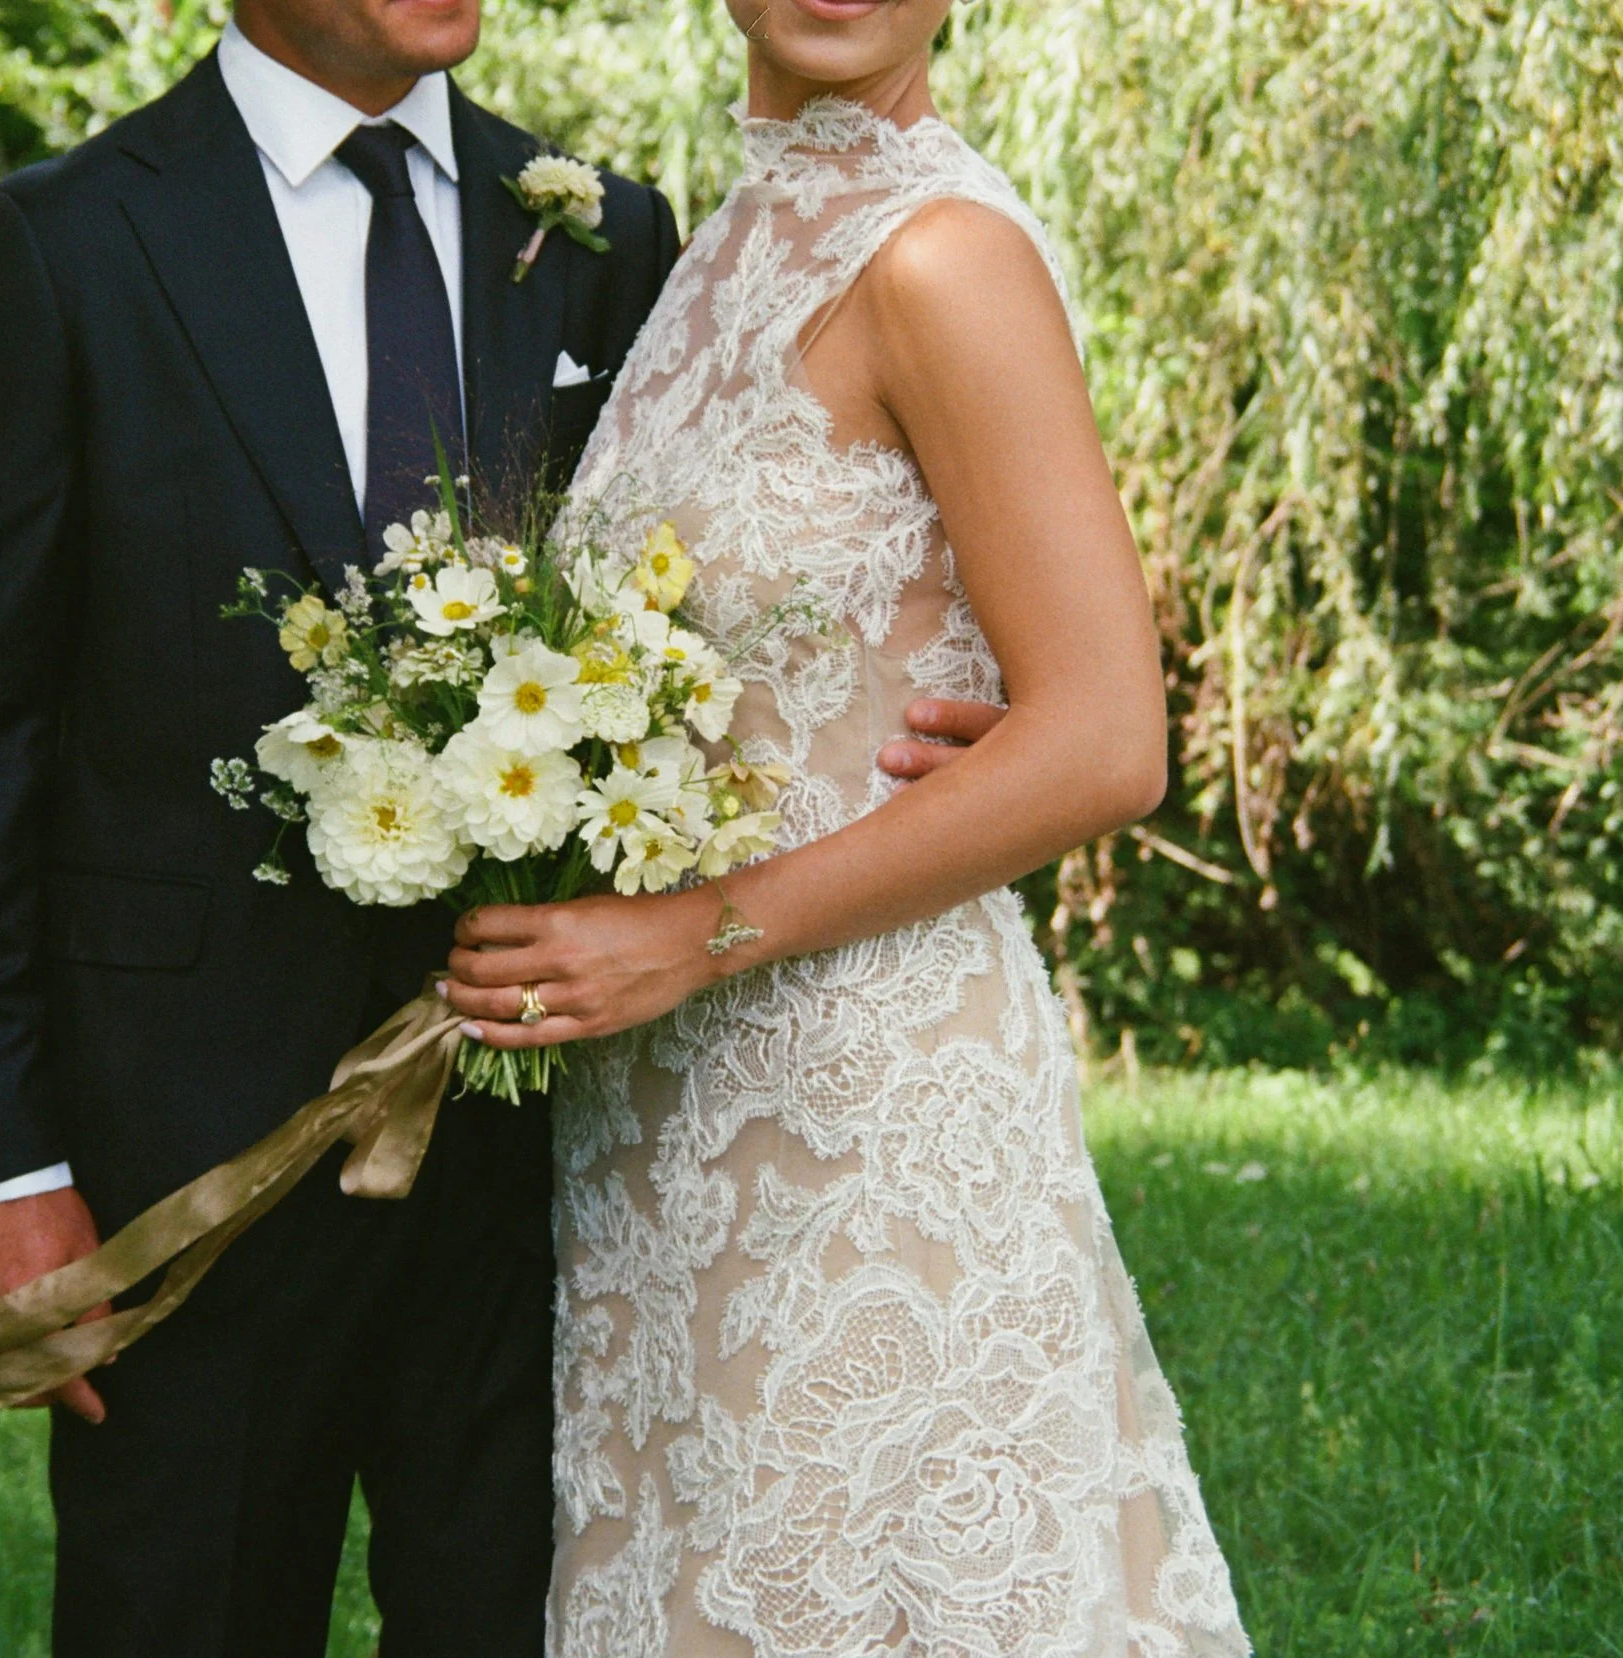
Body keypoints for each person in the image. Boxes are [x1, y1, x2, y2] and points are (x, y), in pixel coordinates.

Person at [0, 1, 992, 1651]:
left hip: (551, 1152)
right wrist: (0, 1169)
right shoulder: (66, 246)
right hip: (183, 1155)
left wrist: (944, 700)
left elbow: (719, 586)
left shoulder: (605, 234)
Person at [438, 1, 1254, 1651]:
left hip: (866, 1107)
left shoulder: (944, 254)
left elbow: (1109, 736)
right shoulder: (714, 245)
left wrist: (700, 928)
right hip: (663, 1121)